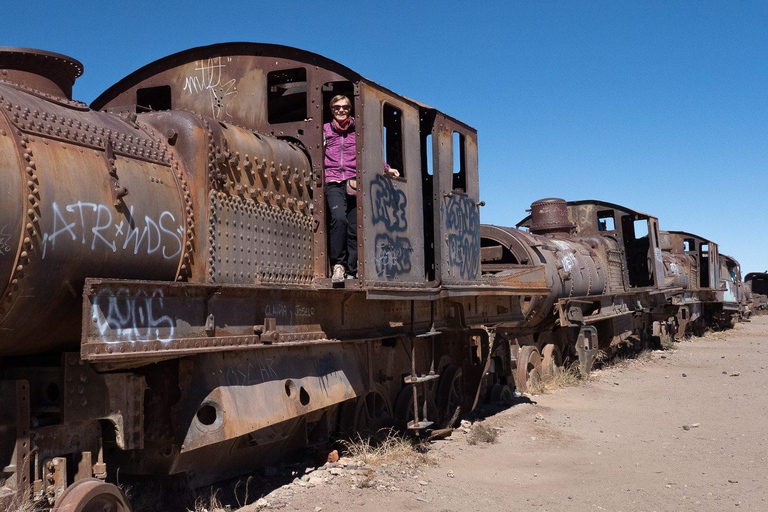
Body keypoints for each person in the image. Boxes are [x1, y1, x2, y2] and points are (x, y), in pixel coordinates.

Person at [324, 95, 398, 283]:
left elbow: (370, 152)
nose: (341, 110)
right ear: (332, 109)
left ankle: (352, 268)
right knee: (338, 218)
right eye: (337, 107)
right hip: (333, 181)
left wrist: (386, 168)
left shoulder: (357, 129)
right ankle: (338, 266)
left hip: (353, 182)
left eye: (345, 107)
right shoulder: (325, 130)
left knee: (354, 228)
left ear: (350, 109)